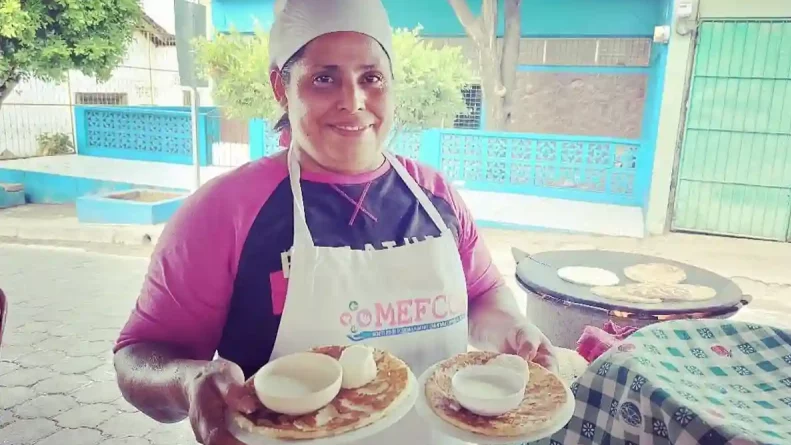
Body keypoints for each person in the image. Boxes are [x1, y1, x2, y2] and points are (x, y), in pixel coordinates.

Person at [112, 1, 557, 444]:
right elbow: (138, 358)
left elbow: (482, 295)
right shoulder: (225, 210)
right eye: (324, 79)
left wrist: (513, 330)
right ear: (280, 87)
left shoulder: (435, 195)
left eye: (371, 78)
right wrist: (187, 381)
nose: (353, 101)